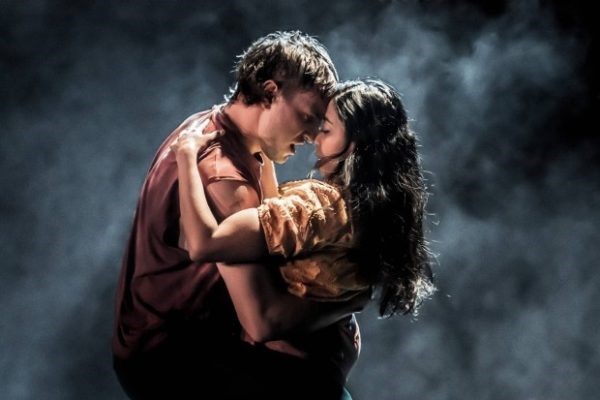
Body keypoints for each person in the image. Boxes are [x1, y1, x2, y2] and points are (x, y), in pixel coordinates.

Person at [112, 31, 364, 399]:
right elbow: (262, 321)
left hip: (156, 343)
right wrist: (352, 301)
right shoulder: (224, 178)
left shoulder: (203, 125)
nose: (312, 135)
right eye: (308, 117)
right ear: (271, 92)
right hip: (171, 360)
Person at [171, 79, 436, 396]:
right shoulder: (370, 212)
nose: (313, 139)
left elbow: (205, 243)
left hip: (287, 378)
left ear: (354, 144)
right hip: (318, 376)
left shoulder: (323, 206)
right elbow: (278, 230)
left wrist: (186, 157)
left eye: (325, 130)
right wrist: (265, 152)